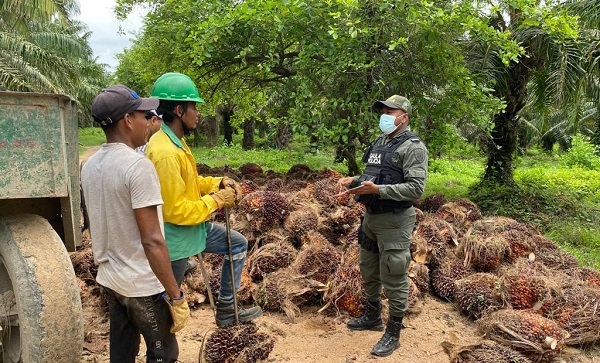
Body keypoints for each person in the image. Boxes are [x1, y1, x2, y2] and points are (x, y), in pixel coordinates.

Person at [81, 85, 190, 363]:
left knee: (122, 353)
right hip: (142, 286)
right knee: (164, 353)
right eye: (144, 115)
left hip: (111, 279)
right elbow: (152, 239)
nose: (149, 122)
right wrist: (175, 296)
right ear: (128, 120)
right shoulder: (137, 166)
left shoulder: (91, 166)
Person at [146, 72, 263, 328]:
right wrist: (217, 200)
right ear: (179, 110)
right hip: (175, 241)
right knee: (168, 315)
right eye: (194, 107)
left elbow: (190, 182)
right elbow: (175, 210)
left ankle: (227, 308)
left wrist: (217, 182)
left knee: (237, 244)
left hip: (193, 228)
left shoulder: (175, 141)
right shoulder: (165, 152)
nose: (197, 114)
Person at [338, 95, 428, 357]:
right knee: (368, 269)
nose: (385, 115)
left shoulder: (413, 147)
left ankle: (393, 333)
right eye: (383, 111)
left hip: (394, 221)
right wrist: (352, 180)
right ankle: (372, 316)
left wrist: (378, 189)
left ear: (404, 117)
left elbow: (416, 188)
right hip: (371, 218)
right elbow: (371, 176)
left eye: (391, 111)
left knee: (394, 276)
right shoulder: (380, 142)